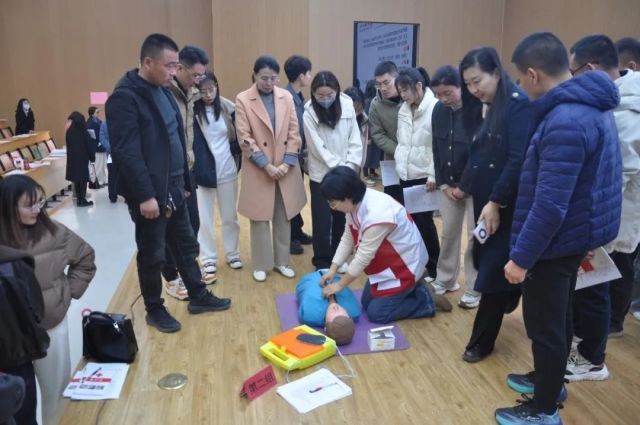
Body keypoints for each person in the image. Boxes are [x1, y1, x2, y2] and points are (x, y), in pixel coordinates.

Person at [499, 32, 622, 425]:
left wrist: (521, 259)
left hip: (554, 242)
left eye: (520, 78)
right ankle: (551, 382)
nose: (520, 86)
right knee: (559, 317)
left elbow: (550, 206)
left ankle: (544, 408)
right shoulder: (588, 107)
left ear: (533, 74)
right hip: (573, 236)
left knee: (545, 327)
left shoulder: (566, 120)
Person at [106, 33, 231, 333]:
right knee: (153, 254)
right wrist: (145, 196)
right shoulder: (125, 97)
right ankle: (154, 308)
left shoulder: (163, 91)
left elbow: (177, 139)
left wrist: (185, 182)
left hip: (175, 186)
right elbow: (127, 153)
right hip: (151, 192)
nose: (174, 72)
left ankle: (198, 295)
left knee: (186, 245)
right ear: (148, 62)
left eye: (176, 66)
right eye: (170, 65)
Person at [564, 34, 640, 382]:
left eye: (573, 71)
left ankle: (592, 359)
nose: (571, 79)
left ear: (590, 68)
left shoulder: (628, 111)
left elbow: (615, 178)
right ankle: (585, 345)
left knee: (596, 286)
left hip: (609, 218)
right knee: (589, 285)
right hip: (599, 215)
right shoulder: (612, 103)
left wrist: (587, 222)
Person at [0, 175, 96, 425]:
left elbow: (85, 259)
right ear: (8, 206)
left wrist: (65, 295)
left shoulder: (54, 232)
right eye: (29, 204)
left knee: (57, 392)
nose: (37, 209)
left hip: (51, 324)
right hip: (10, 337)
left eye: (40, 202)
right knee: (18, 401)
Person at [457, 47, 532, 363]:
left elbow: (517, 160)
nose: (473, 89)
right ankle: (511, 292)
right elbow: (479, 156)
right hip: (485, 199)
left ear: (497, 73)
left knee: (490, 271)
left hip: (506, 202)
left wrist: (496, 201)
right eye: (468, 84)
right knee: (484, 257)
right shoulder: (484, 106)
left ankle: (481, 342)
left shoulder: (517, 105)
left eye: (478, 81)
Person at [318, 166, 451, 324]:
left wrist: (339, 285)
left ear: (347, 197)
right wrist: (333, 268)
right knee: (366, 303)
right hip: (387, 263)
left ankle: (426, 301)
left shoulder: (377, 213)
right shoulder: (355, 203)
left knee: (377, 314)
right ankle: (414, 288)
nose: (332, 207)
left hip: (404, 265)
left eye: (333, 203)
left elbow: (362, 258)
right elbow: (348, 237)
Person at [235, 55, 306, 282]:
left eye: (273, 78)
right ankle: (261, 263)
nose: (268, 83)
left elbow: (294, 132)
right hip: (259, 167)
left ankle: (282, 261)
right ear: (255, 75)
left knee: (283, 215)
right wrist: (266, 165)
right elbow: (244, 137)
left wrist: (286, 163)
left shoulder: (286, 96)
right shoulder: (243, 99)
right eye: (264, 78)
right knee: (259, 217)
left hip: (285, 166)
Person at [163, 45, 212, 299]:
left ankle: (188, 270)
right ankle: (171, 277)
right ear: (180, 68)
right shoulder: (165, 93)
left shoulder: (190, 93)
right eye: (195, 75)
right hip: (168, 173)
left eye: (201, 76)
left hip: (187, 169)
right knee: (169, 230)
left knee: (191, 224)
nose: (198, 81)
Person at [430, 65, 480, 309]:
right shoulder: (438, 110)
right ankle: (445, 278)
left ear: (462, 86)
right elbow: (436, 149)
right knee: (448, 232)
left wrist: (465, 186)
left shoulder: (478, 109)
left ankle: (474, 287)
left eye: (447, 93)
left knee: (475, 236)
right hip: (448, 184)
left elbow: (480, 153)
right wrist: (443, 183)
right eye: (438, 94)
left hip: (476, 186)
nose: (443, 99)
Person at [304, 71, 362, 271]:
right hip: (321, 173)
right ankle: (321, 260)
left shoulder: (347, 105)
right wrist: (339, 167)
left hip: (346, 171)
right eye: (320, 96)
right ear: (313, 93)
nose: (326, 99)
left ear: (337, 91)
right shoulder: (309, 112)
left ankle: (339, 258)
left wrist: (350, 165)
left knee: (342, 218)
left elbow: (355, 138)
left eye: (329, 95)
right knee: (321, 220)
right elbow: (317, 147)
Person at [193, 71, 243, 280]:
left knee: (230, 216)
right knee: (204, 218)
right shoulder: (191, 110)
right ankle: (208, 258)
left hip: (226, 168)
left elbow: (239, 133)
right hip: (201, 171)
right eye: (202, 90)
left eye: (211, 89)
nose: (207, 94)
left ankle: (233, 253)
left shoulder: (226, 107)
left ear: (216, 86)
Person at [394, 67, 440, 279]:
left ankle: (434, 265)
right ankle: (418, 263)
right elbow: (402, 141)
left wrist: (433, 174)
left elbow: (437, 146)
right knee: (410, 222)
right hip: (405, 173)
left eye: (405, 90)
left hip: (424, 176)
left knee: (425, 223)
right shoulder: (403, 109)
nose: (402, 95)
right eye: (400, 91)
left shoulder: (435, 107)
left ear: (418, 86)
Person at [0, 244, 50, 425]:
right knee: (25, 417)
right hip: (18, 355)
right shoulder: (14, 261)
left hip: (17, 358)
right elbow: (36, 310)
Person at [284, 55, 314, 255]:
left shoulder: (297, 96)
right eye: (309, 73)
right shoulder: (286, 98)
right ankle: (289, 237)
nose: (310, 77)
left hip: (298, 155)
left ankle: (297, 230)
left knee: (295, 194)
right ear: (301, 76)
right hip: (290, 155)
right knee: (289, 197)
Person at [295, 271, 361, 345]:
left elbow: (304, 291)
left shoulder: (309, 314)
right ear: (349, 317)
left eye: (334, 317)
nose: (337, 309)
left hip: (310, 277)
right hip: (335, 274)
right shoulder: (354, 311)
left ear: (325, 326)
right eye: (344, 316)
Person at [368, 61, 403, 203]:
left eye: (386, 82)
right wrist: (399, 150)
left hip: (416, 162)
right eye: (378, 84)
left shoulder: (410, 98)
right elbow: (377, 134)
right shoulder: (375, 105)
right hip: (392, 159)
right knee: (393, 203)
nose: (383, 88)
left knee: (417, 210)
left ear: (397, 78)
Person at [65, 111, 96, 207]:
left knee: (76, 180)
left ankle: (79, 199)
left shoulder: (69, 132)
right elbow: (89, 146)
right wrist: (92, 157)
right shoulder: (83, 132)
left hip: (72, 159)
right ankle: (82, 200)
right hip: (82, 159)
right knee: (82, 180)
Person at [343, 86, 369, 170]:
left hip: (356, 166)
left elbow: (363, 146)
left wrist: (360, 165)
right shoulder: (338, 120)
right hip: (340, 166)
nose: (355, 113)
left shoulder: (364, 119)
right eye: (353, 109)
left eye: (358, 109)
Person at [362, 80, 382, 185]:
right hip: (369, 131)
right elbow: (366, 119)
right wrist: (368, 135)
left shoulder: (376, 100)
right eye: (377, 85)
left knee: (374, 153)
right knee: (368, 154)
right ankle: (365, 175)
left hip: (375, 130)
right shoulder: (367, 101)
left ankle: (372, 172)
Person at [86, 106, 106, 188]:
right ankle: (99, 181)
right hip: (97, 146)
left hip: (101, 145)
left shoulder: (97, 121)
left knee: (102, 165)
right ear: (92, 114)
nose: (98, 114)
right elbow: (92, 135)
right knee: (98, 165)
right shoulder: (90, 123)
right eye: (97, 112)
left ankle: (103, 180)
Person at [99, 119, 118, 203]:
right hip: (114, 153)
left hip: (114, 152)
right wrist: (112, 148)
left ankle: (113, 196)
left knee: (114, 175)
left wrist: (110, 148)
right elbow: (102, 138)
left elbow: (102, 138)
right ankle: (113, 195)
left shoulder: (104, 124)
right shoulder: (104, 124)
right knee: (112, 175)